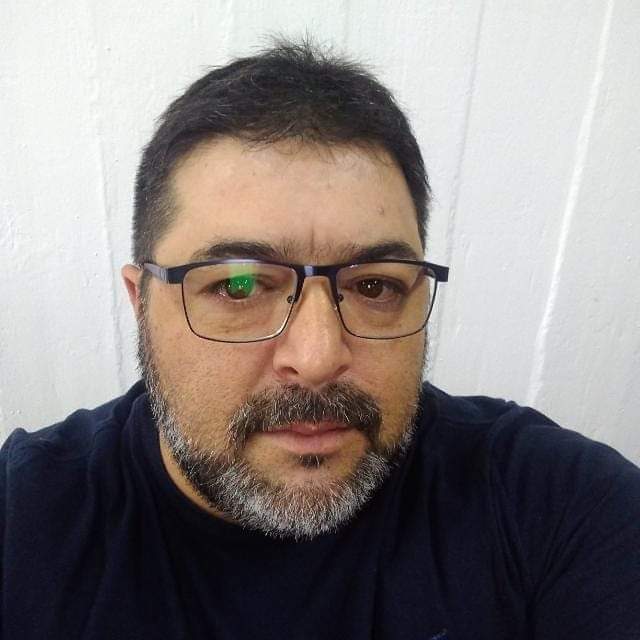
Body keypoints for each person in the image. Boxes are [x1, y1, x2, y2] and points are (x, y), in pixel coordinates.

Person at [1, 39, 639, 640]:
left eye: (374, 286)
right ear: (142, 303)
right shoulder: (25, 519)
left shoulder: (552, 504)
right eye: (239, 286)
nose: (318, 357)